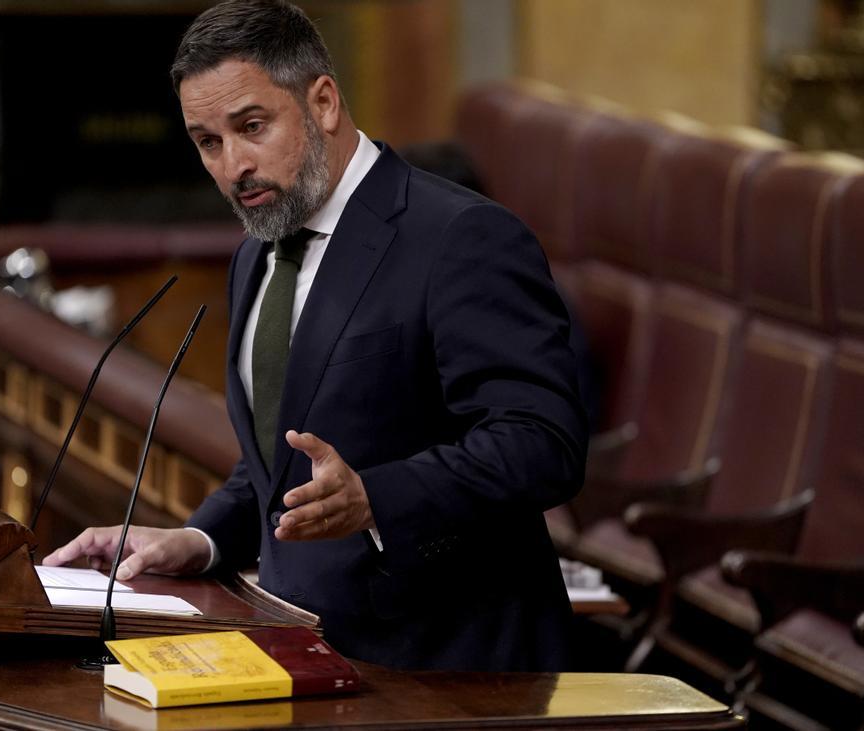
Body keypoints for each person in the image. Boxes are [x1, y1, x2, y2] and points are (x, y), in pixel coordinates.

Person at [44, 0, 588, 672]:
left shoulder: (460, 237)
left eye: (251, 126)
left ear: (323, 102)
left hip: (454, 672)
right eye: (208, 142)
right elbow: (279, 467)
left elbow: (543, 442)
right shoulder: (257, 254)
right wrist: (199, 538)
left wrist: (377, 499)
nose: (233, 165)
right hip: (308, 660)